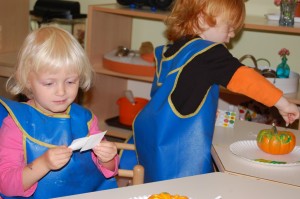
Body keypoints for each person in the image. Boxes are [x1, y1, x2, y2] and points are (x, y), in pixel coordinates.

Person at [132, 0, 300, 183]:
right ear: (202, 20)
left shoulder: (171, 49)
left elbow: (180, 93)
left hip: (151, 138)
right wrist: (283, 103)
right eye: (229, 28)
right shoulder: (208, 53)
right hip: (178, 153)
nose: (232, 35)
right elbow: (244, 78)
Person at [0, 26, 119, 199]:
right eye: (49, 83)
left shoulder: (85, 119)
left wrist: (107, 158)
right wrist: (44, 164)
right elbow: (5, 184)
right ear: (27, 80)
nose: (62, 92)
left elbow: (108, 170)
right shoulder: (15, 124)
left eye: (70, 81)